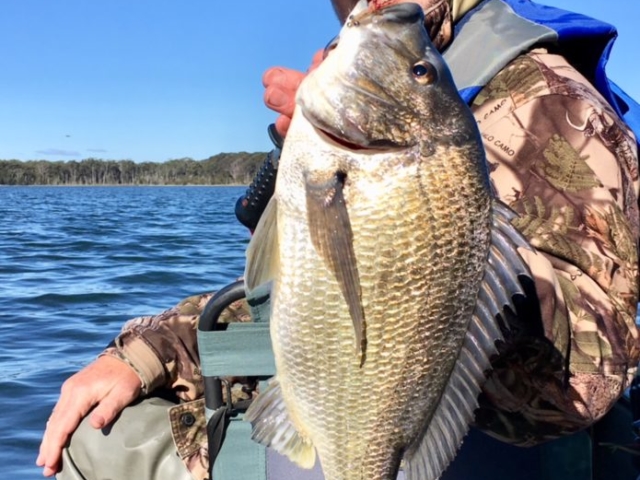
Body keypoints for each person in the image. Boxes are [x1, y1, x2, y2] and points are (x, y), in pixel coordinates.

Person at [37, 0, 640, 479]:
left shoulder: (540, 95)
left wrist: (425, 327)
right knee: (90, 425)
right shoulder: (389, 92)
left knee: (97, 454)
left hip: (457, 448)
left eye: (419, 70)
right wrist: (151, 351)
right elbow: (306, 291)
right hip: (342, 406)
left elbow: (584, 377)